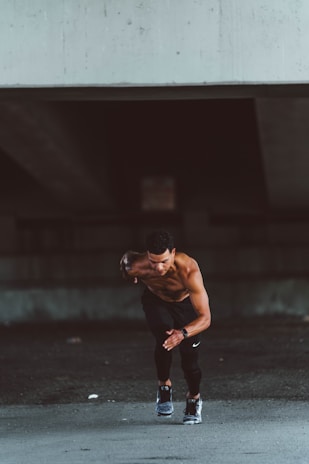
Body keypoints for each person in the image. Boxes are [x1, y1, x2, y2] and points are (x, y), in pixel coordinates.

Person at [120, 229, 211, 425]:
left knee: (190, 360)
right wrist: (130, 276)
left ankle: (193, 398)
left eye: (164, 262)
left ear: (173, 252)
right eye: (153, 262)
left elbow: (205, 318)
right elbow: (126, 263)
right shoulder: (135, 266)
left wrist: (183, 333)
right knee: (164, 338)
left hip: (185, 305)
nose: (159, 268)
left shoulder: (188, 271)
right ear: (147, 256)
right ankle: (164, 386)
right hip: (156, 300)